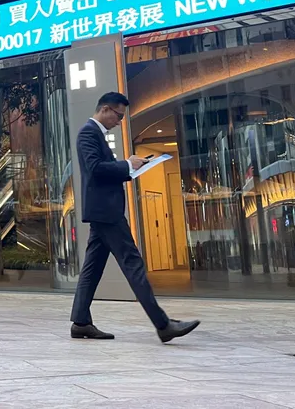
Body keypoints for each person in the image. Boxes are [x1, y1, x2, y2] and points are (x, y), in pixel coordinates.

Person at [70, 92, 200, 343]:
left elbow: (101, 169)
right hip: (106, 212)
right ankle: (163, 325)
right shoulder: (88, 132)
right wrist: (127, 165)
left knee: (92, 269)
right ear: (105, 109)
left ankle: (81, 322)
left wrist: (130, 167)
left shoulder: (95, 133)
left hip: (103, 211)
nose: (119, 121)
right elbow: (95, 169)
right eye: (118, 116)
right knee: (133, 264)